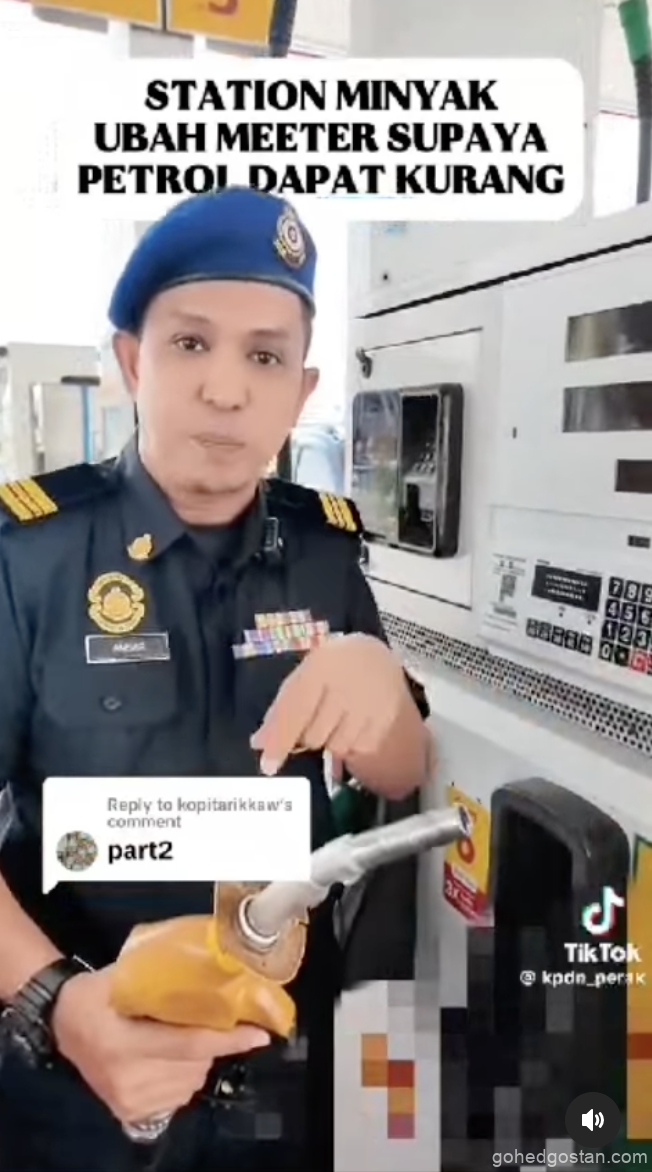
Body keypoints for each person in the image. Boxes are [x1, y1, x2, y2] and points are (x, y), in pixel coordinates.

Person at [0, 186, 435, 1172]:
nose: (228, 390)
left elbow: (400, 770)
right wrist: (56, 1003)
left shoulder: (324, 554)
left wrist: (381, 689)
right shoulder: (30, 559)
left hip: (282, 1076)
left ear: (303, 388)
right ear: (131, 362)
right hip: (75, 1086)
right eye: (191, 343)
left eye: (265, 357)